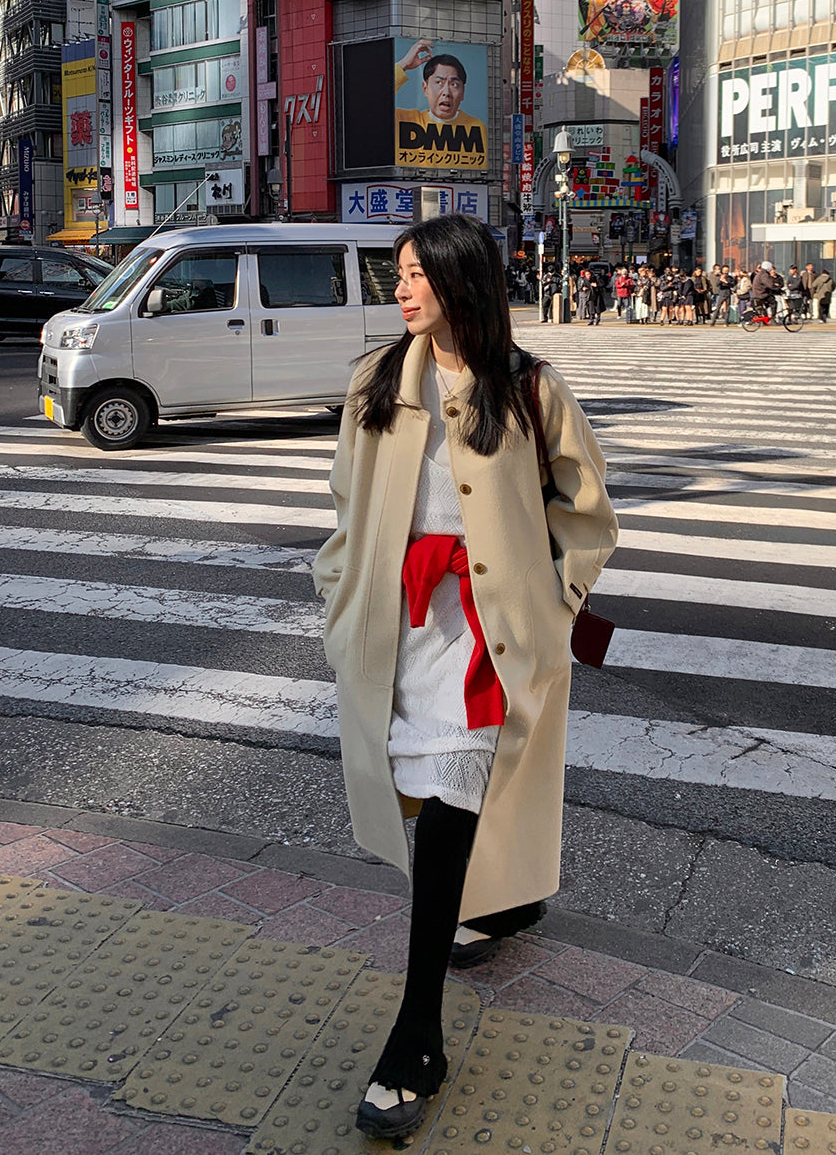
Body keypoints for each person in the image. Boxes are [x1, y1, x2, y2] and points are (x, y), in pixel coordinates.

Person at [313, 215, 618, 1141]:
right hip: (400, 623)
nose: (401, 289)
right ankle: (510, 900)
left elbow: (588, 507)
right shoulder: (377, 381)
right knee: (420, 794)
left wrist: (553, 599)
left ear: (461, 280)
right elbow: (343, 501)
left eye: (416, 275)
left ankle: (417, 1037)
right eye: (396, 275)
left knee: (449, 804)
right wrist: (337, 591)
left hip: (490, 635)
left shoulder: (529, 387)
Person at [395, 41, 488, 170]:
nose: (446, 92)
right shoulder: (403, 120)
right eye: (439, 82)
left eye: (454, 84)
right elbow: (370, 102)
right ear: (425, 88)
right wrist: (403, 65)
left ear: (463, 93)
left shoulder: (475, 126)